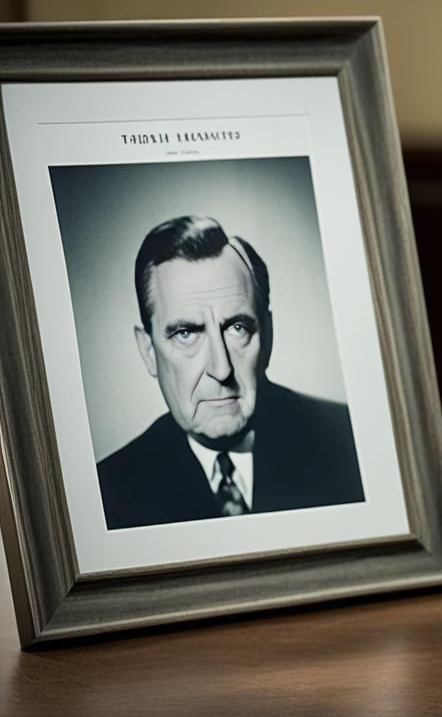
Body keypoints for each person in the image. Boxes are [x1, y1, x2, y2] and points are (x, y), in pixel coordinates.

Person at [96, 216, 364, 529]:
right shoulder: (108, 497)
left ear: (268, 334)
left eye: (237, 328)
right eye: (186, 333)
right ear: (148, 351)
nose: (220, 369)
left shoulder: (351, 444)